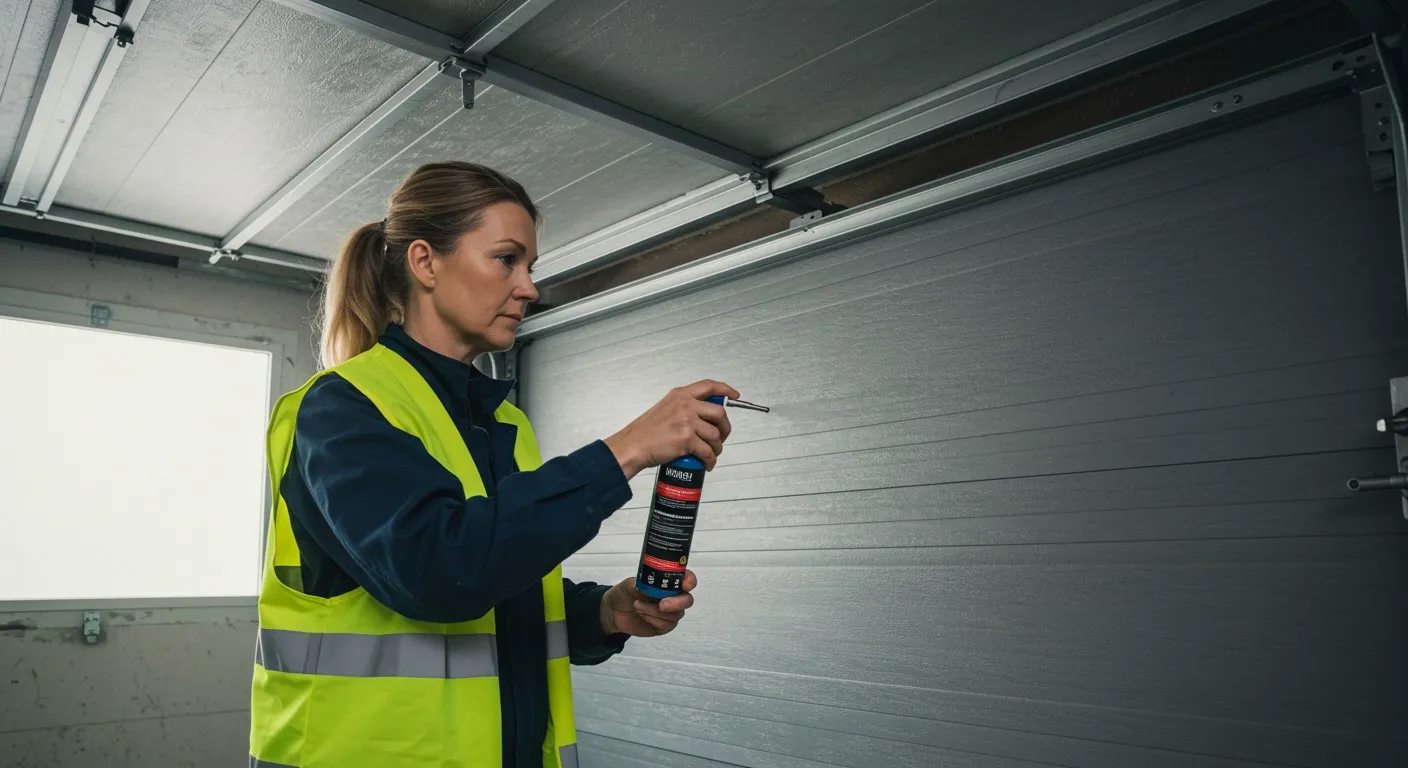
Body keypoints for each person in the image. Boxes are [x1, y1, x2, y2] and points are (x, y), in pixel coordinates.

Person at [247, 161, 739, 768]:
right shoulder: (342, 408)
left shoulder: (502, 424)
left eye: (530, 266)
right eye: (506, 259)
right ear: (425, 262)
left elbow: (501, 591)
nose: (529, 286)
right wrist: (629, 448)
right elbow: (440, 569)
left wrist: (602, 614)